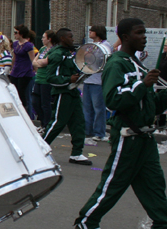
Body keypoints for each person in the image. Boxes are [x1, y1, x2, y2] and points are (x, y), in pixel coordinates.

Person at [74, 17, 167, 229]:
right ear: (126, 36)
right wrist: (143, 85)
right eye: (140, 33)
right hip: (127, 135)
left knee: (154, 185)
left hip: (144, 136)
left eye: (145, 32)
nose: (145, 37)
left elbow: (149, 105)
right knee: (114, 182)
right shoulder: (117, 63)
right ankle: (87, 221)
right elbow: (112, 100)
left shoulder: (135, 64)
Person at [42, 28, 92, 166]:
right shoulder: (58, 54)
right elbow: (51, 78)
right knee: (57, 123)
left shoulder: (69, 53)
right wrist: (68, 79)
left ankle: (76, 153)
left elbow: (74, 69)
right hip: (62, 93)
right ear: (63, 38)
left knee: (78, 123)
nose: (72, 39)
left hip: (73, 92)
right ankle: (39, 148)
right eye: (70, 37)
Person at [82, 25, 111, 144]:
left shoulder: (105, 45)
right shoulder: (90, 45)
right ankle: (87, 130)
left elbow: (101, 59)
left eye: (92, 31)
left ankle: (99, 132)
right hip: (87, 79)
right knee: (87, 108)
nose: (89, 32)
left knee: (98, 108)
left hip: (98, 81)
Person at [31, 29, 58, 132]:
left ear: (49, 39)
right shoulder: (42, 49)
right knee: (35, 102)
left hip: (46, 80)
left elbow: (45, 63)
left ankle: (46, 125)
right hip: (38, 78)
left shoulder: (53, 50)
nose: (42, 39)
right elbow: (34, 62)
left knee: (45, 103)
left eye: (43, 37)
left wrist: (40, 62)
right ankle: (42, 123)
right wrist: (39, 62)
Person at [9, 24, 36, 116]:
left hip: (25, 72)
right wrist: (11, 68)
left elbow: (33, 59)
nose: (14, 34)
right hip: (16, 71)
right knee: (13, 90)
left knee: (21, 93)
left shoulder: (28, 45)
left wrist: (35, 70)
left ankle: (24, 113)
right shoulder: (16, 44)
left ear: (21, 33)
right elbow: (14, 57)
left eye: (16, 32)